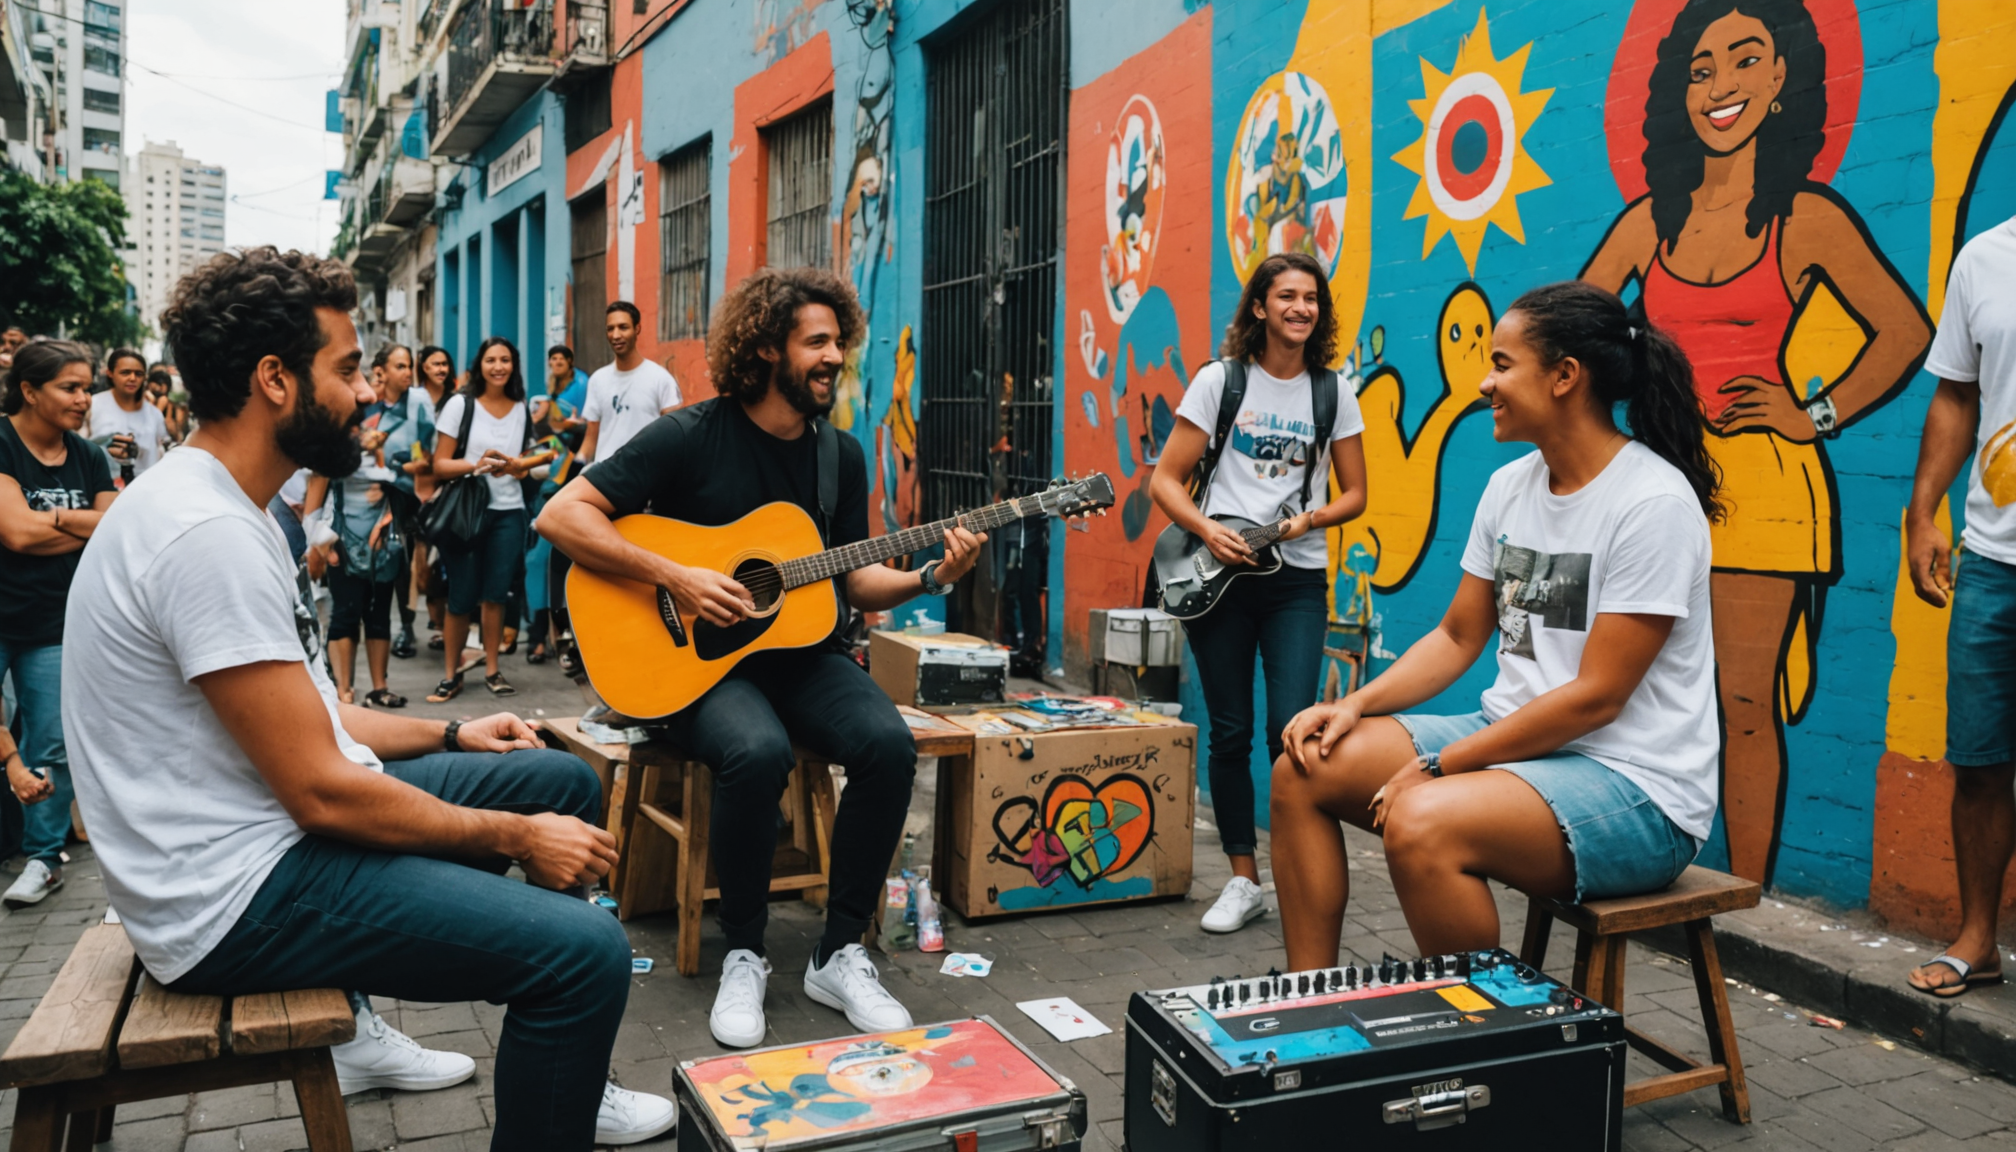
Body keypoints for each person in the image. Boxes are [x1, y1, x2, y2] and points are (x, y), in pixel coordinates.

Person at [61, 247, 676, 1148]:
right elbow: (322, 791)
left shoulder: (236, 506)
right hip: (231, 900)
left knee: (556, 778)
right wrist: (513, 839)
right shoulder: (204, 533)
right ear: (275, 379)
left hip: (265, 829)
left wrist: (454, 733)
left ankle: (565, 1070)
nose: (366, 393)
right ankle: (561, 1057)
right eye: (348, 369)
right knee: (584, 955)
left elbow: (316, 714)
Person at [540, 267, 984, 1049]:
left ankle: (838, 952)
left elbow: (853, 578)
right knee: (757, 750)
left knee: (888, 744)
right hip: (692, 663)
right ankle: (744, 951)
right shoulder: (689, 435)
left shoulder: (838, 456)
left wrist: (930, 576)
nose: (834, 357)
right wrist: (676, 576)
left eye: (838, 343)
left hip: (800, 653)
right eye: (817, 342)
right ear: (767, 349)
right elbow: (560, 515)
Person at [1581, 0, 1931, 884]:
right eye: (1701, 70)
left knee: (1742, 701)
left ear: (1781, 80)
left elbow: (1904, 332)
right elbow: (1571, 330)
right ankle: (1639, 862)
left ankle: (1745, 894)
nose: (1720, 86)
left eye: (1745, 61)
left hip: (1768, 488)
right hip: (1663, 485)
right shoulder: (1647, 223)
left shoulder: (1803, 218)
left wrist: (1813, 413)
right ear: (1679, 92)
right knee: (1643, 689)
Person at [1270, 282, 1722, 962]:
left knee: (1420, 821)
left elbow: (1597, 698)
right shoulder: (1509, 486)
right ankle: (1310, 1001)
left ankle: (1476, 1019)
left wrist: (1439, 767)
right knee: (1303, 766)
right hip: (1520, 743)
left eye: (1503, 365)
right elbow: (1457, 636)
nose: (1485, 384)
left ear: (1565, 376)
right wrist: (1352, 704)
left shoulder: (1652, 503)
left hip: (1636, 787)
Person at [1148, 251, 1369, 935]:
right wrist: (1208, 531)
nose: (1301, 308)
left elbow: (1357, 494)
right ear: (1259, 307)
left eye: (1312, 299)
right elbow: (1164, 481)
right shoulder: (1221, 381)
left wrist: (1310, 520)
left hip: (1295, 578)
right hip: (1218, 577)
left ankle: (1297, 868)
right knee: (1232, 730)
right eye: (1287, 297)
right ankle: (1244, 879)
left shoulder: (1334, 392)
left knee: (1291, 729)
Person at [1904, 214, 2016, 998]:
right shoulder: (1986, 258)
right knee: (1978, 761)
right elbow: (1956, 394)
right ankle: (1979, 941)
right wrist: (1922, 513)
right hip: (1996, 563)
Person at [0, 341, 119, 907]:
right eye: (70, 388)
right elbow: (15, 534)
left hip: (56, 619)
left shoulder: (89, 456)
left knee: (50, 742)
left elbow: (113, 527)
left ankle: (43, 859)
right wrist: (79, 522)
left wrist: (46, 517)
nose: (83, 399)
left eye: (86, 388)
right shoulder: (2, 444)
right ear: (29, 390)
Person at [429, 337, 535, 702]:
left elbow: (524, 463)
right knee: (461, 596)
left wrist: (518, 468)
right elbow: (439, 465)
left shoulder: (521, 407)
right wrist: (477, 465)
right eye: (491, 360)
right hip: (467, 513)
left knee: (496, 595)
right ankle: (450, 675)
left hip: (509, 512)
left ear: (514, 365)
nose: (498, 367)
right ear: (480, 365)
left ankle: (492, 669)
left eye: (505, 360)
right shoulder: (461, 404)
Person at [526, 345, 590, 665]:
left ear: (570, 362)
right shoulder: (549, 392)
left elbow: (586, 430)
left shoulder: (583, 387)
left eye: (560, 359)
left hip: (573, 481)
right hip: (548, 482)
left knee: (556, 562)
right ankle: (540, 636)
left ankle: (556, 636)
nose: (555, 364)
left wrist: (570, 427)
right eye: (551, 359)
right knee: (538, 560)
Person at [374, 344, 434, 658]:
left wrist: (405, 462)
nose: (408, 372)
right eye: (400, 366)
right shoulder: (368, 403)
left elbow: (424, 449)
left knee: (401, 561)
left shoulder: (418, 402)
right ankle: (375, 626)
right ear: (381, 371)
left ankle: (406, 626)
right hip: (367, 492)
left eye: (409, 365)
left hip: (404, 493)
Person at [578, 301, 680, 466]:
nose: (616, 335)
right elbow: (590, 440)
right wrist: (575, 468)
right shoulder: (597, 380)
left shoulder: (660, 379)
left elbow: (674, 437)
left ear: (637, 329)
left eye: (623, 327)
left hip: (645, 475)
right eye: (610, 329)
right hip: (604, 475)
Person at [414, 346, 456, 651]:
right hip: (419, 485)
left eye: (444, 363)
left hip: (450, 486)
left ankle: (447, 625)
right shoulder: (416, 399)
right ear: (423, 368)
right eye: (434, 364)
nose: (441, 369)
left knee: (447, 557)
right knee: (423, 561)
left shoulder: (457, 400)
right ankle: (435, 621)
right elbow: (413, 439)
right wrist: (420, 459)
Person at [90, 348, 172, 479]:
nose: (132, 378)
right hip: (102, 484)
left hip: (146, 483)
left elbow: (162, 448)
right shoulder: (93, 405)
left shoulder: (154, 414)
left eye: (138, 374)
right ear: (110, 373)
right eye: (125, 373)